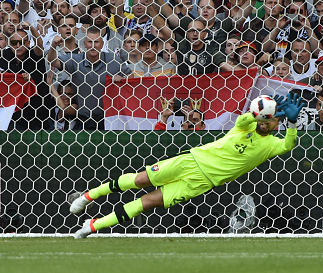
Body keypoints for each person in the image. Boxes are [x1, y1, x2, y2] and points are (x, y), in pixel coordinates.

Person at [69, 93, 305, 238]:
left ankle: (92, 226)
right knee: (139, 180)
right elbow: (245, 118)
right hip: (191, 161)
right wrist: (260, 113)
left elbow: (289, 144)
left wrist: (292, 122)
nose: (267, 121)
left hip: (201, 182)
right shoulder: (245, 126)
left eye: (273, 118)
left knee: (146, 203)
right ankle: (89, 196)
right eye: (265, 116)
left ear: (277, 123)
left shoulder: (273, 144)